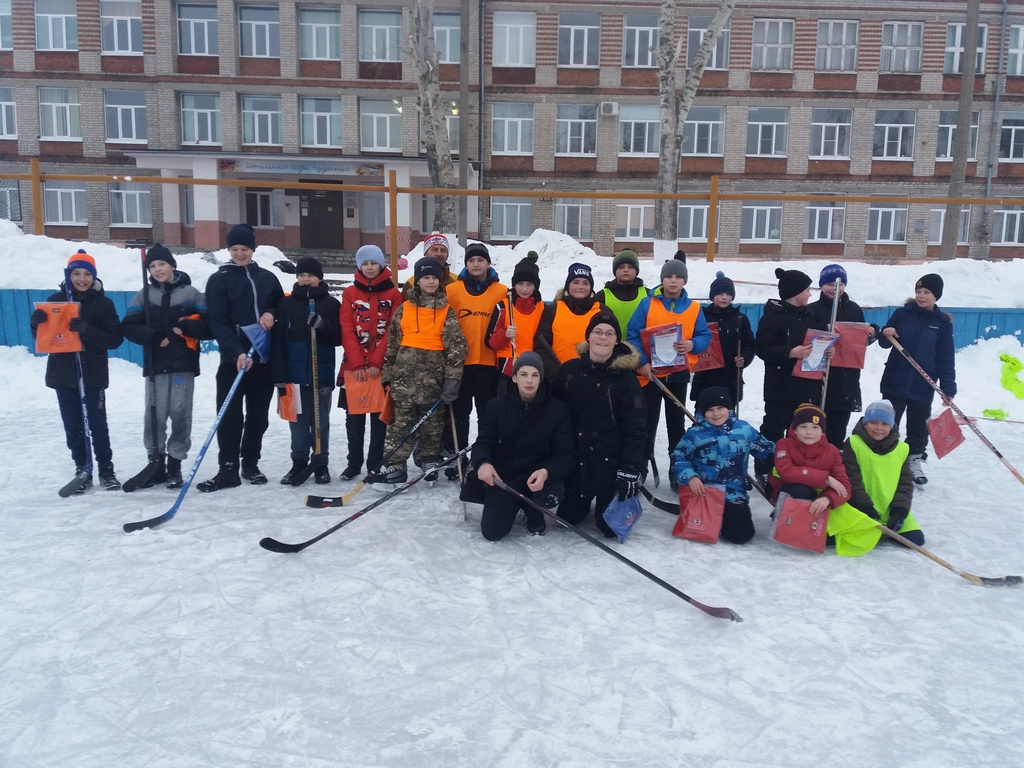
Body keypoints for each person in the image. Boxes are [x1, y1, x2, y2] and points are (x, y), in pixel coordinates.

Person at [197, 223, 284, 492]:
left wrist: (272, 312)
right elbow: (218, 321)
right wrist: (235, 351)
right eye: (234, 248)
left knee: (258, 415)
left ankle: (250, 463)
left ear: (253, 249)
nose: (239, 253)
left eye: (244, 248)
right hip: (233, 360)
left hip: (261, 358)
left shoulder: (268, 278)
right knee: (230, 415)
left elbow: (281, 305)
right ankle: (228, 468)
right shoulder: (219, 279)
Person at [30, 251, 124, 492]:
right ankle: (82, 469)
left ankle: (106, 470)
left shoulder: (104, 304)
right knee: (73, 425)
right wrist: (37, 324)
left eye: (86, 274)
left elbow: (114, 339)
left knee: (97, 424)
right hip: (63, 374)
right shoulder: (56, 300)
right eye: (76, 273)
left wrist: (86, 330)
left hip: (92, 374)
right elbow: (44, 340)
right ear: (68, 275)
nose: (82, 278)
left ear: (94, 276)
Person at [370, 257, 468, 487]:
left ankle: (429, 461)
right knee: (400, 424)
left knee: (432, 425)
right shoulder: (404, 309)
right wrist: (388, 374)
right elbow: (392, 344)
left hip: (433, 381)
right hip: (403, 381)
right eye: (426, 277)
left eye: (434, 277)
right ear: (417, 281)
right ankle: (396, 466)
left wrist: (452, 379)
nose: (431, 282)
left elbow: (457, 347)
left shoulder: (446, 311)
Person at [121, 244, 212, 489]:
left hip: (183, 364)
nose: (158, 269)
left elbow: (210, 325)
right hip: (155, 365)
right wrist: (150, 335)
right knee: (154, 416)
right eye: (152, 266)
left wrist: (186, 328)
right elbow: (128, 326)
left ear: (172, 265)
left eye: (162, 264)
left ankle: (174, 464)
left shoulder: (191, 294)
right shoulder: (144, 295)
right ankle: (155, 462)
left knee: (180, 413)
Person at [552, 310, 647, 538]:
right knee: (567, 518)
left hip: (610, 465)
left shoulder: (626, 380)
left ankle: (611, 495)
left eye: (609, 333)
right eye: (597, 332)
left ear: (616, 340)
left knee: (609, 528)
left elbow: (636, 428)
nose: (603, 337)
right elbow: (551, 413)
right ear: (588, 337)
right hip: (578, 463)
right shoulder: (569, 371)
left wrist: (631, 469)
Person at [625, 257, 712, 491]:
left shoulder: (694, 307)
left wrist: (692, 344)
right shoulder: (647, 303)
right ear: (662, 279)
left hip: (678, 373)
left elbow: (705, 335)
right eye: (669, 276)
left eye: (678, 277)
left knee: (676, 423)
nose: (673, 281)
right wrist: (641, 362)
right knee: (647, 421)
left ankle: (677, 466)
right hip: (650, 374)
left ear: (684, 280)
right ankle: (641, 464)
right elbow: (632, 334)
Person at [471, 352, 577, 541]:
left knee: (546, 493)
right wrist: (483, 463)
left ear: (541, 378)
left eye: (535, 375)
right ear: (514, 377)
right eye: (523, 374)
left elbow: (566, 454)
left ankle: (533, 510)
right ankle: (509, 503)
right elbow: (484, 442)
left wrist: (547, 472)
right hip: (507, 477)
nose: (529, 380)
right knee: (492, 532)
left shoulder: (557, 409)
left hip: (539, 477)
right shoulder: (496, 406)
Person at [877, 273, 956, 485]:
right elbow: (884, 343)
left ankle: (913, 460)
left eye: (926, 292)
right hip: (896, 379)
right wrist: (887, 332)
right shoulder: (902, 314)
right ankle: (885, 460)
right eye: (918, 291)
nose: (921, 296)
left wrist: (948, 388)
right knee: (888, 423)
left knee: (918, 425)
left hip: (923, 383)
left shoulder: (942, 323)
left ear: (936, 296)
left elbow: (946, 358)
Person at [671, 387, 775, 544]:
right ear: (702, 412)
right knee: (699, 530)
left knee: (741, 536)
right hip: (704, 491)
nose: (716, 414)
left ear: (729, 408)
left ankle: (725, 518)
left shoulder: (743, 429)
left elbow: (767, 450)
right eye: (710, 410)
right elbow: (679, 457)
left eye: (720, 408)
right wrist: (690, 477)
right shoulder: (695, 434)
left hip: (734, 492)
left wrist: (792, 450)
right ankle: (713, 518)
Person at [271, 256, 341, 485]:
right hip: (294, 375)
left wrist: (322, 325)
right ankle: (299, 462)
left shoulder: (330, 304)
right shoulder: (287, 304)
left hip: (321, 372)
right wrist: (279, 377)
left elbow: (338, 338)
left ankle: (320, 462)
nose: (305, 279)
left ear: (319, 278)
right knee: (298, 422)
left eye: (310, 275)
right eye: (301, 275)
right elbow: (278, 342)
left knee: (320, 421)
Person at [337, 244, 403, 481]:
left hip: (381, 366)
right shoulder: (350, 294)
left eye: (373, 263)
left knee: (379, 418)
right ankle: (353, 462)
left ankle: (375, 462)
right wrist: (357, 362)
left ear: (381, 264)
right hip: (353, 366)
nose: (369, 267)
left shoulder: (394, 295)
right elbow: (346, 327)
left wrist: (376, 361)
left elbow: (392, 332)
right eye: (364, 263)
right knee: (354, 418)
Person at [826, 400, 925, 556]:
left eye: (884, 424)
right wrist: (866, 509)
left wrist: (899, 511)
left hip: (888, 507)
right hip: (861, 507)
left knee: (916, 539)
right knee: (832, 538)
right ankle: (873, 529)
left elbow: (904, 484)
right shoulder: (854, 443)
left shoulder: (902, 448)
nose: (879, 428)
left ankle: (882, 529)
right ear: (865, 424)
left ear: (892, 426)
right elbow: (852, 479)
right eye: (873, 422)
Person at [754, 267, 825, 482]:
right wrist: (790, 353)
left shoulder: (808, 316)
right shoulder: (772, 318)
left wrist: (825, 349)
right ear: (795, 293)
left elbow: (814, 345)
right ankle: (764, 468)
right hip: (780, 386)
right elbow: (762, 349)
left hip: (805, 386)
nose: (810, 295)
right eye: (807, 290)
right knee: (773, 429)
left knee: (800, 430)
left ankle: (793, 467)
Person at [444, 242, 508, 479]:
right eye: (471, 260)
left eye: (480, 260)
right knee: (460, 413)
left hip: (488, 363)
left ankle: (484, 456)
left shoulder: (501, 291)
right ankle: (458, 456)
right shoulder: (453, 290)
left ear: (488, 263)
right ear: (466, 264)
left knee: (486, 414)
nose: (476, 264)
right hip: (461, 363)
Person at [810, 264, 880, 448]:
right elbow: (805, 336)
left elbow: (860, 340)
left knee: (839, 420)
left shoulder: (854, 309)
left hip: (846, 376)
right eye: (830, 284)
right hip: (820, 375)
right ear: (822, 285)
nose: (835, 288)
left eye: (839, 284)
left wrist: (871, 332)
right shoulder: (812, 309)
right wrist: (823, 329)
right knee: (815, 420)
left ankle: (834, 452)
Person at [768, 404, 851, 520]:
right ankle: (784, 518)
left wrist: (827, 499)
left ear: (823, 432)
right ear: (795, 430)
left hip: (819, 499)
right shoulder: (784, 444)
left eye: (815, 427)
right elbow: (786, 472)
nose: (809, 432)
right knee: (801, 491)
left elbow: (844, 487)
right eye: (803, 426)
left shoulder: (832, 451)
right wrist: (825, 479)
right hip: (787, 492)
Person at [690, 270, 756, 410]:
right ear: (712, 296)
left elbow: (749, 344)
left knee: (727, 413)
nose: (724, 297)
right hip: (706, 376)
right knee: (704, 412)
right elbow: (692, 339)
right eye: (720, 294)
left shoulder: (740, 319)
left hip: (730, 377)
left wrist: (744, 358)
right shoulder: (701, 316)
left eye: (728, 294)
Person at [534, 262, 606, 380]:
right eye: (575, 282)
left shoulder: (602, 311)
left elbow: (610, 346)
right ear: (568, 285)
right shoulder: (553, 310)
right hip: (558, 379)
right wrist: (557, 374)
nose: (580, 287)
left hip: (594, 380)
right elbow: (540, 346)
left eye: (585, 283)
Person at [485, 251, 543, 383]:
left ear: (535, 286)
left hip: (533, 367)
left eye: (529, 284)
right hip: (507, 368)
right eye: (520, 284)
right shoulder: (503, 307)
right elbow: (490, 342)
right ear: (514, 285)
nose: (524, 289)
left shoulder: (542, 308)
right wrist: (505, 334)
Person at [595, 249, 649, 337]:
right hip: (609, 347)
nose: (626, 270)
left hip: (639, 347)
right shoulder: (602, 296)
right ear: (615, 271)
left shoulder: (647, 294)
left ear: (636, 271)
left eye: (630, 267)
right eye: (621, 267)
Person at [401, 232, 456, 301]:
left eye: (443, 250)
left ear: (447, 255)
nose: (439, 254)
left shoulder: (455, 281)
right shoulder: (411, 284)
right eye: (434, 250)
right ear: (426, 253)